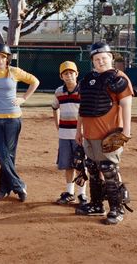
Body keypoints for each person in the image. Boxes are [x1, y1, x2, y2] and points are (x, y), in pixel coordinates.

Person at [75, 42, 134, 225]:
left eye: (104, 58)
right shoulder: (88, 79)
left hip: (109, 134)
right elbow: (83, 107)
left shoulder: (119, 78)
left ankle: (117, 209)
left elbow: (126, 105)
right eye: (96, 59)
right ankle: (96, 204)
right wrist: (79, 130)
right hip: (89, 134)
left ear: (111, 58)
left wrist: (126, 131)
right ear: (92, 61)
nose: (100, 61)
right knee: (92, 169)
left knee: (109, 170)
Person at [0, 43, 39, 202]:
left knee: (9, 155)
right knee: (2, 153)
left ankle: (3, 188)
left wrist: (23, 98)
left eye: (3, 57)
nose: (0, 60)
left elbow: (35, 81)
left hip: (13, 119)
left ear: (8, 58)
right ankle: (19, 185)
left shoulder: (14, 71)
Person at [52, 61, 88, 205]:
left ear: (77, 74)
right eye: (65, 73)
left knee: (80, 165)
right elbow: (55, 108)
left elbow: (86, 112)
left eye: (71, 73)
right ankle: (70, 192)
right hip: (64, 134)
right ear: (61, 76)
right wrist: (57, 126)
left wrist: (84, 130)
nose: (69, 76)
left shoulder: (83, 91)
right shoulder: (59, 91)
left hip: (80, 135)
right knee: (68, 165)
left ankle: (82, 194)